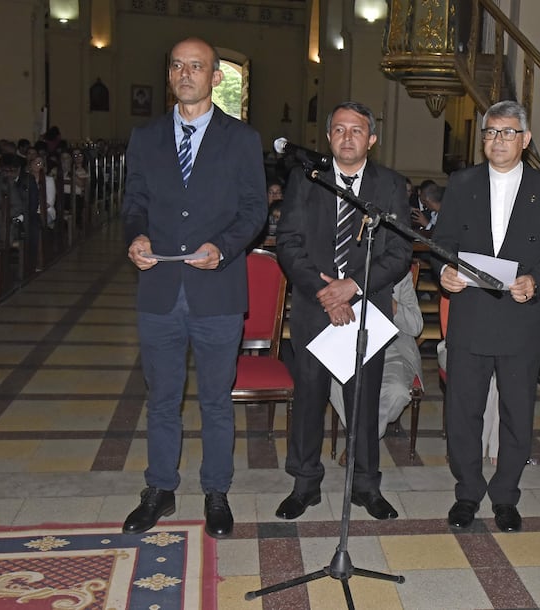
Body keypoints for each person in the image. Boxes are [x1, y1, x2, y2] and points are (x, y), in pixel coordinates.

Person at [121, 37, 267, 539]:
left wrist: (224, 249)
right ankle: (160, 488)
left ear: (215, 77)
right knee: (161, 398)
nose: (186, 74)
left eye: (197, 66)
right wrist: (135, 235)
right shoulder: (145, 137)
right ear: (170, 75)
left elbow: (255, 210)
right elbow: (133, 201)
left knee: (215, 400)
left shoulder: (243, 139)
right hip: (159, 288)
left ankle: (216, 491)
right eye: (178, 66)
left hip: (217, 290)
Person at [432, 100, 540, 532]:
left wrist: (537, 281)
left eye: (508, 132)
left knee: (516, 412)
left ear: (525, 140)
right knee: (462, 411)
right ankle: (468, 492)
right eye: (491, 132)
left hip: (519, 315)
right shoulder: (462, 183)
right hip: (471, 314)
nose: (498, 140)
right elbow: (443, 241)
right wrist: (445, 272)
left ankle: (506, 495)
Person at [275, 101, 411, 521]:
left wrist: (351, 287)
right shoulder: (305, 179)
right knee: (309, 396)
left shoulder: (389, 185)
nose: (346, 137)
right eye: (338, 130)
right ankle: (305, 485)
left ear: (371, 139)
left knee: (364, 401)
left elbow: (399, 251)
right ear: (329, 137)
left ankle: (366, 486)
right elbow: (288, 243)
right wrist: (323, 291)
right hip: (315, 308)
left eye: (356, 130)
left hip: (366, 305)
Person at [330, 269, 424, 464]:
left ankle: (359, 441)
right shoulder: (342, 270)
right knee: (334, 383)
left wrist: (391, 305)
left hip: (392, 349)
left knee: (397, 391)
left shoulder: (400, 276)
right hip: (349, 346)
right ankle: (362, 442)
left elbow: (416, 326)